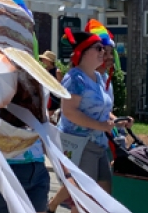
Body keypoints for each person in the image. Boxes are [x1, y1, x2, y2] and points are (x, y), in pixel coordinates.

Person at [47, 29, 128, 213]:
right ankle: (51, 207)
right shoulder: (75, 78)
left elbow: (102, 110)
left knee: (103, 194)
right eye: (99, 48)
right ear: (84, 52)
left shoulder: (99, 78)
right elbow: (69, 112)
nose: (104, 53)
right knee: (83, 197)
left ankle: (51, 207)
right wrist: (100, 125)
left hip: (99, 144)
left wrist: (117, 121)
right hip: (80, 144)